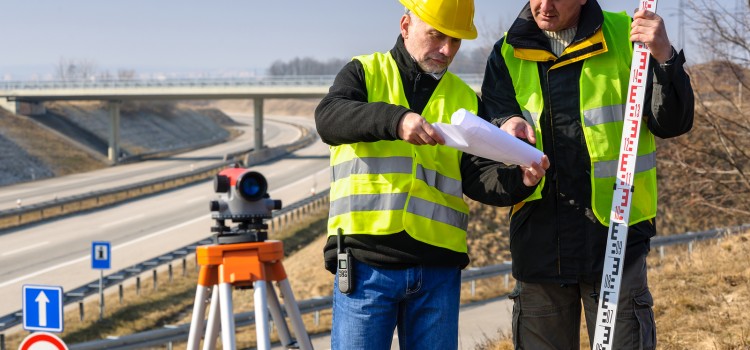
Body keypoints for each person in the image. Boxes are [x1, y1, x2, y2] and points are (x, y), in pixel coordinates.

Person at [315, 0, 549, 349]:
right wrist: (397, 120)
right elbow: (329, 118)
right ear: (406, 25)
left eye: (455, 41)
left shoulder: (465, 99)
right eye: (437, 35)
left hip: (438, 270)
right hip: (367, 265)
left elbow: (477, 176)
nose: (446, 50)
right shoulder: (365, 71)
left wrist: (520, 181)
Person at [479, 0, 694, 349]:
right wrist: (504, 123)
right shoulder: (506, 52)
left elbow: (672, 122)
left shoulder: (629, 35)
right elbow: (491, 127)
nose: (544, 6)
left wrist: (665, 56)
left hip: (615, 241)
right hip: (539, 246)